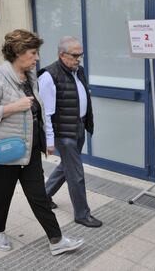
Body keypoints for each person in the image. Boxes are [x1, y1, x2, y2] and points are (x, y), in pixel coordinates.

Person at [0, 29, 83, 255]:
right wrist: (11, 108)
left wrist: (47, 139)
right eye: (33, 52)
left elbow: (38, 110)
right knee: (2, 195)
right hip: (3, 152)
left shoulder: (30, 77)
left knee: (39, 196)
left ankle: (56, 240)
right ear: (18, 52)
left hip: (29, 150)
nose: (37, 58)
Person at [38, 36, 102, 228]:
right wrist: (49, 141)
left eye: (80, 55)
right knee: (76, 173)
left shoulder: (78, 71)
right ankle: (82, 214)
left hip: (79, 126)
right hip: (63, 133)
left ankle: (44, 196)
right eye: (74, 56)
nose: (78, 59)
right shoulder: (49, 76)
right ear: (62, 55)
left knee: (66, 167)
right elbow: (45, 113)